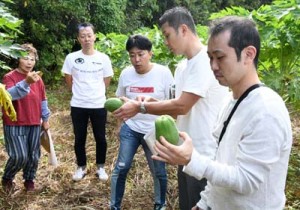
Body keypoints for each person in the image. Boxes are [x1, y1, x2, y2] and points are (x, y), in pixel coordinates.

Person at [152, 16, 293, 210]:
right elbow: (221, 161)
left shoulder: (266, 109)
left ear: (248, 54)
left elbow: (247, 180)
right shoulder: (230, 100)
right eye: (210, 58)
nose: (213, 66)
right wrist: (204, 202)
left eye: (220, 57)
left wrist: (192, 159)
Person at [114, 7, 228, 210]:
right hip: (185, 152)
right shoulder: (183, 66)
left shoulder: (204, 61)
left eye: (167, 35)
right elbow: (176, 107)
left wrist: (141, 107)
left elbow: (183, 106)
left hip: (205, 153)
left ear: (183, 29)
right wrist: (149, 100)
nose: (165, 42)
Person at [110, 35, 173, 210]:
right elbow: (120, 101)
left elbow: (171, 103)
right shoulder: (125, 73)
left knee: (159, 172)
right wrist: (119, 125)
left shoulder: (163, 73)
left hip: (155, 130)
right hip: (131, 127)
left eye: (141, 54)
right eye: (132, 55)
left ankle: (160, 205)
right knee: (121, 168)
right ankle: (114, 206)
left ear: (150, 53)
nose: (136, 60)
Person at [62, 22, 114, 181]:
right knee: (79, 137)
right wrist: (79, 92)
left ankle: (100, 167)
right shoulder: (72, 58)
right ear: (78, 39)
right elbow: (68, 79)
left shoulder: (103, 58)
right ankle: (81, 167)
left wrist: (97, 93)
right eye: (83, 36)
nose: (86, 39)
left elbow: (107, 80)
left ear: (95, 37)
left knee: (100, 137)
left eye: (89, 35)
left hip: (99, 104)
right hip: (78, 104)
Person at [1, 43, 51, 193]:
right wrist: (26, 82)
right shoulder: (9, 77)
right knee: (19, 156)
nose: (29, 62)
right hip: (14, 122)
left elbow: (43, 99)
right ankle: (7, 177)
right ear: (17, 59)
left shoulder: (38, 78)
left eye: (32, 59)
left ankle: (29, 180)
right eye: (25, 58)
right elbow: (9, 96)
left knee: (33, 155)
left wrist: (46, 118)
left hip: (35, 122)